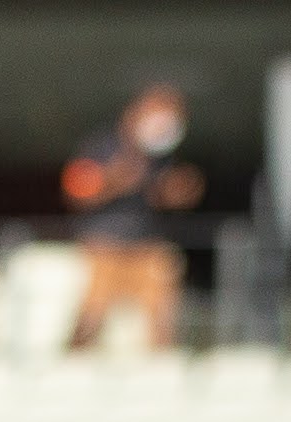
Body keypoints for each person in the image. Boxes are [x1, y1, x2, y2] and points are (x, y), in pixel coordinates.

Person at [66, 86, 207, 349]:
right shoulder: (102, 146)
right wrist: (115, 180)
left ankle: (163, 370)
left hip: (148, 245)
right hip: (105, 245)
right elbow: (76, 190)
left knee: (161, 311)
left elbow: (180, 194)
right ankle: (71, 367)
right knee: (91, 314)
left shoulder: (163, 157)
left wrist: (176, 191)